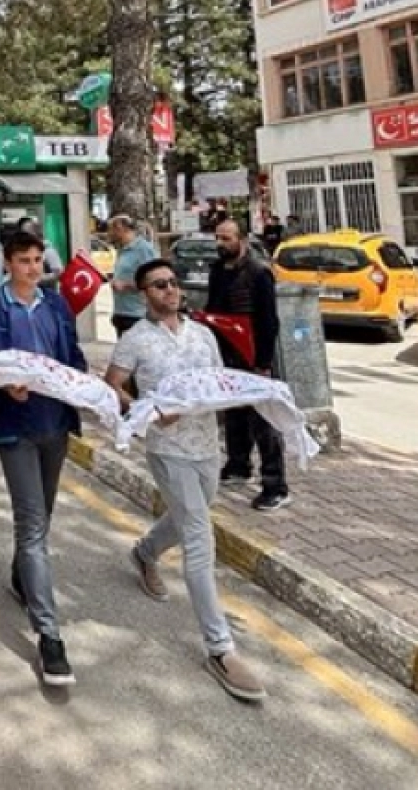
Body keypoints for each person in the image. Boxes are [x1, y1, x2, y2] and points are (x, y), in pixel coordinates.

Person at [106, 258, 267, 703]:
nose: (170, 291)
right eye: (159, 285)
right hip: (168, 450)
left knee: (186, 520)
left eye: (173, 283)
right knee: (199, 536)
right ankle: (220, 648)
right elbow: (113, 385)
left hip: (205, 446)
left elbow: (217, 380)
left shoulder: (202, 334)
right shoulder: (135, 339)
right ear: (144, 295)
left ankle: (143, 553)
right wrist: (150, 409)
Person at [0, 229, 85, 688]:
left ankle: (21, 575)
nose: (32, 268)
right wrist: (3, 385)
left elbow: (72, 355)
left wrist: (80, 384)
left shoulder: (56, 306)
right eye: (23, 260)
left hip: (56, 425)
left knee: (44, 515)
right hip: (14, 429)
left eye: (37, 260)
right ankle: (49, 635)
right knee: (32, 522)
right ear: (7, 262)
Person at [207, 219, 290, 512]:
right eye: (218, 237)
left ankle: (275, 484)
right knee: (234, 414)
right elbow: (213, 309)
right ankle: (238, 464)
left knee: (263, 422)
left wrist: (263, 363)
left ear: (241, 240)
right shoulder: (217, 270)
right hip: (228, 355)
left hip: (255, 357)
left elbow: (269, 321)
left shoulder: (258, 273)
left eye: (227, 238)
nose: (221, 243)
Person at [106, 215, 158, 336]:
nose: (109, 233)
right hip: (121, 312)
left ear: (121, 228)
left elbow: (154, 280)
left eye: (111, 230)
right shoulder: (122, 250)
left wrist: (126, 285)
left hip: (137, 315)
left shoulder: (143, 249)